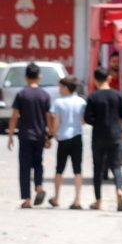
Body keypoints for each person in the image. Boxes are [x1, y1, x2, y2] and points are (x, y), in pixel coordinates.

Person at [85, 67, 122, 212]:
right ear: (109, 78)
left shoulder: (93, 97)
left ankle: (98, 201)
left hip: (98, 136)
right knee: (116, 166)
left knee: (98, 169)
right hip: (115, 135)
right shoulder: (117, 95)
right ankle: (119, 190)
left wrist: (97, 122)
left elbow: (87, 118)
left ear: (94, 80)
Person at [7, 63, 52, 208]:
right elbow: (48, 116)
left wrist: (10, 134)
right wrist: (49, 134)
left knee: (25, 167)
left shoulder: (22, 94)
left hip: (25, 136)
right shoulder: (44, 95)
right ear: (39, 77)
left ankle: (26, 199)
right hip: (39, 135)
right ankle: (39, 186)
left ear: (25, 77)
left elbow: (15, 116)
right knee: (38, 164)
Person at [47, 76, 86, 209]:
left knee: (59, 169)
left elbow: (56, 119)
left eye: (61, 87)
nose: (59, 89)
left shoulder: (58, 102)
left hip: (63, 137)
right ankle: (77, 200)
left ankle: (57, 198)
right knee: (77, 169)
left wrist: (53, 132)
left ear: (65, 88)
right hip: (77, 136)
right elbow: (83, 120)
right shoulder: (81, 101)